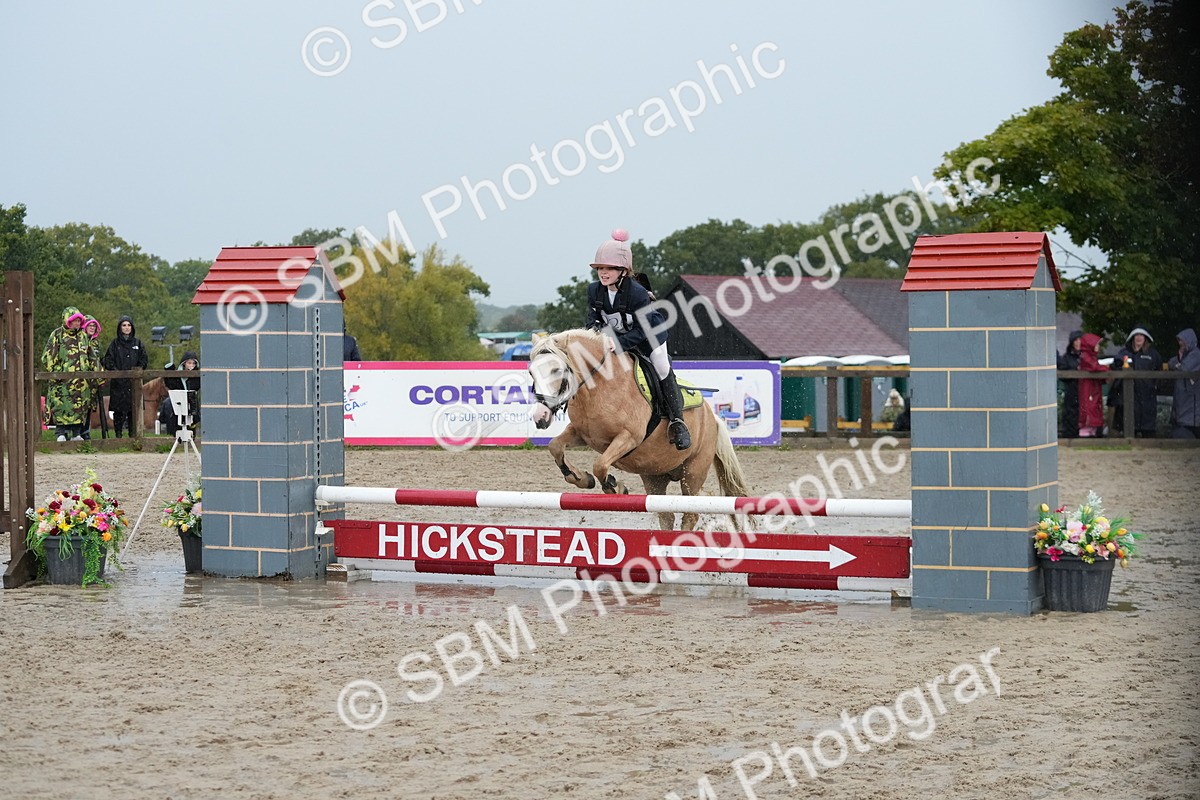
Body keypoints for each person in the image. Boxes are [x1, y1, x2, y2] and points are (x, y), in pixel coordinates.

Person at [585, 228, 690, 450]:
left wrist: (618, 343)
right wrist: (597, 335)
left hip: (649, 338)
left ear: (623, 271)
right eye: (600, 268)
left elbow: (642, 330)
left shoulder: (637, 293)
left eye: (609, 268)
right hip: (617, 338)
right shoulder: (594, 291)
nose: (603, 273)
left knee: (661, 366)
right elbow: (592, 321)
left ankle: (678, 421)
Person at [42, 306, 100, 441]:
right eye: (75, 320)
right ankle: (60, 433)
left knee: (80, 407)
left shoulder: (83, 336)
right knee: (61, 406)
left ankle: (76, 433)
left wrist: (98, 375)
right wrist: (58, 373)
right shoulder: (57, 334)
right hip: (62, 382)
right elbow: (47, 357)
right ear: (68, 320)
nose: (77, 323)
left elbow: (92, 357)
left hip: (81, 383)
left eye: (79, 321)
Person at [1107, 326, 1163, 437]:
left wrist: (1155, 387)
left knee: (1148, 433)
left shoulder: (1153, 355)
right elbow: (1115, 368)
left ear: (1146, 338)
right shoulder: (1123, 353)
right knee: (1128, 430)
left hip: (1147, 399)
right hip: (1128, 399)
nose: (1139, 337)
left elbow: (1160, 372)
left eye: (1141, 335)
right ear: (1132, 337)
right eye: (1136, 335)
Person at [102, 315, 149, 438]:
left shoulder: (138, 343)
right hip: (118, 384)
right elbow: (107, 360)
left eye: (129, 325)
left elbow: (144, 360)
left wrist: (137, 371)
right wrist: (117, 373)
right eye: (124, 325)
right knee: (118, 411)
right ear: (120, 327)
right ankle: (118, 436)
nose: (127, 327)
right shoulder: (114, 344)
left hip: (134, 383)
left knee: (133, 410)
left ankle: (133, 437)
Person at [1168, 328, 1200, 439]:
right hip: (1182, 400)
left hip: (1192, 401)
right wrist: (1179, 361)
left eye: (1182, 340)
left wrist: (1178, 363)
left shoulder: (1196, 354)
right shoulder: (1183, 355)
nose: (1180, 343)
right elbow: (1171, 363)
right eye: (1179, 341)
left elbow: (1184, 369)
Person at [1077, 332, 1108, 437]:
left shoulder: (1090, 356)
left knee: (1094, 408)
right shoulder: (1085, 356)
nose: (1098, 347)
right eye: (1096, 344)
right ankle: (1085, 434)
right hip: (1088, 388)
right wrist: (1106, 369)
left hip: (1093, 388)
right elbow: (1094, 367)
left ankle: (1092, 432)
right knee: (1089, 408)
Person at [162, 351, 201, 436]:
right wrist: (169, 371)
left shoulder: (197, 376)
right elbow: (170, 384)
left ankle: (192, 436)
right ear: (184, 363)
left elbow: (196, 387)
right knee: (174, 415)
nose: (191, 365)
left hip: (191, 402)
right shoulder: (177, 375)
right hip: (179, 402)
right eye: (189, 363)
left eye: (194, 363)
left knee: (192, 421)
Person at [1056, 330, 1083, 438]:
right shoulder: (1066, 357)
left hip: (1085, 391)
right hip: (1072, 391)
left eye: (1080, 340)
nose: (1078, 343)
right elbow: (1062, 372)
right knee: (1070, 413)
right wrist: (1074, 372)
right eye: (1075, 340)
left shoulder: (1087, 356)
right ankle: (1070, 435)